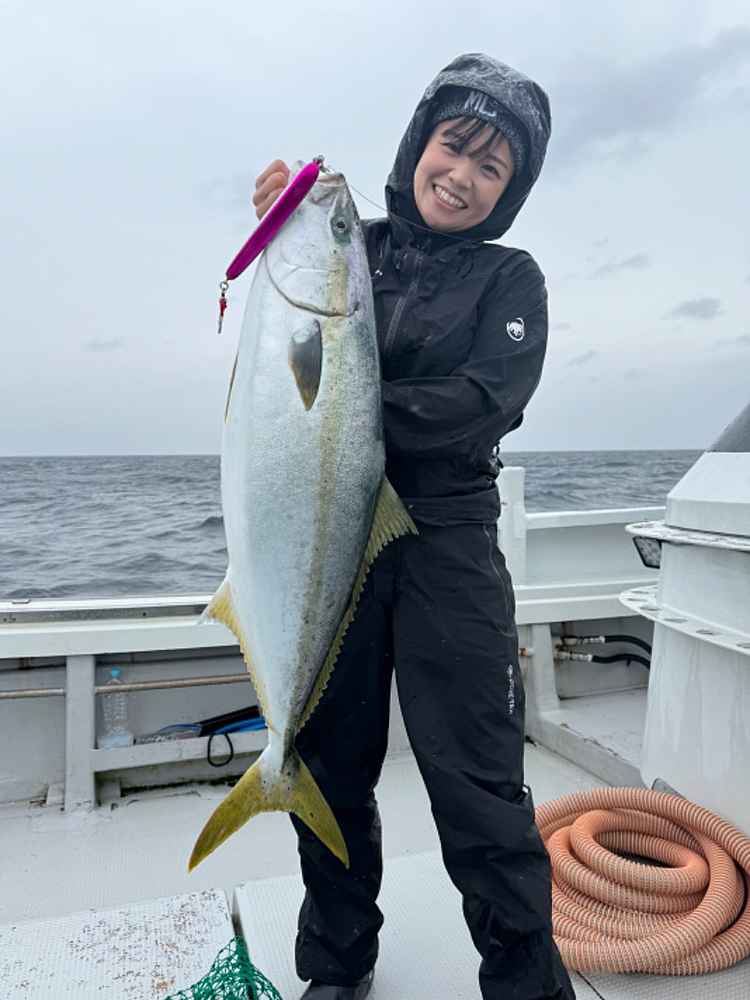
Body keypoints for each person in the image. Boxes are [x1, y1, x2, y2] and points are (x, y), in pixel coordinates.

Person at [252, 52, 575, 1000]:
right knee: (331, 768)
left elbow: (483, 402)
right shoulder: (348, 247)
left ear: (510, 191)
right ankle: (337, 964)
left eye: (491, 167)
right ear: (417, 144)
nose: (462, 176)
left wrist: (337, 417)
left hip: (449, 543)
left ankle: (524, 984)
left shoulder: (512, 280)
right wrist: (278, 221)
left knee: (478, 780)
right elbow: (285, 342)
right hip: (336, 538)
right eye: (453, 146)